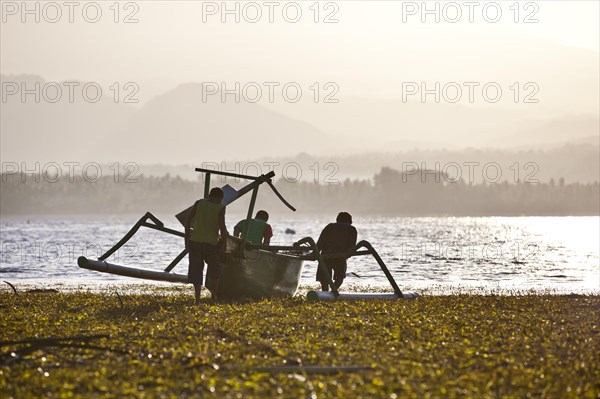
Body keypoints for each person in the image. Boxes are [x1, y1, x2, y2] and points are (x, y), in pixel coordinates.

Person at [185, 187, 229, 304]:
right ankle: (213, 297)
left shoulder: (199, 203)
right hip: (211, 244)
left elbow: (188, 221)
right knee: (216, 269)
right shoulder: (220, 208)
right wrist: (224, 239)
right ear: (220, 198)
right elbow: (222, 227)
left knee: (196, 270)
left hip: (195, 242)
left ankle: (198, 299)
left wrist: (187, 239)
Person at [316, 212, 357, 291]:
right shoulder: (351, 229)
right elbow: (351, 247)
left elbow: (320, 243)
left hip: (325, 257)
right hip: (340, 257)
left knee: (324, 280)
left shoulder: (329, 227)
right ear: (349, 221)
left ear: (337, 220)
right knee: (340, 277)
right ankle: (333, 292)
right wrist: (347, 254)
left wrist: (315, 253)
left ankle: (326, 293)